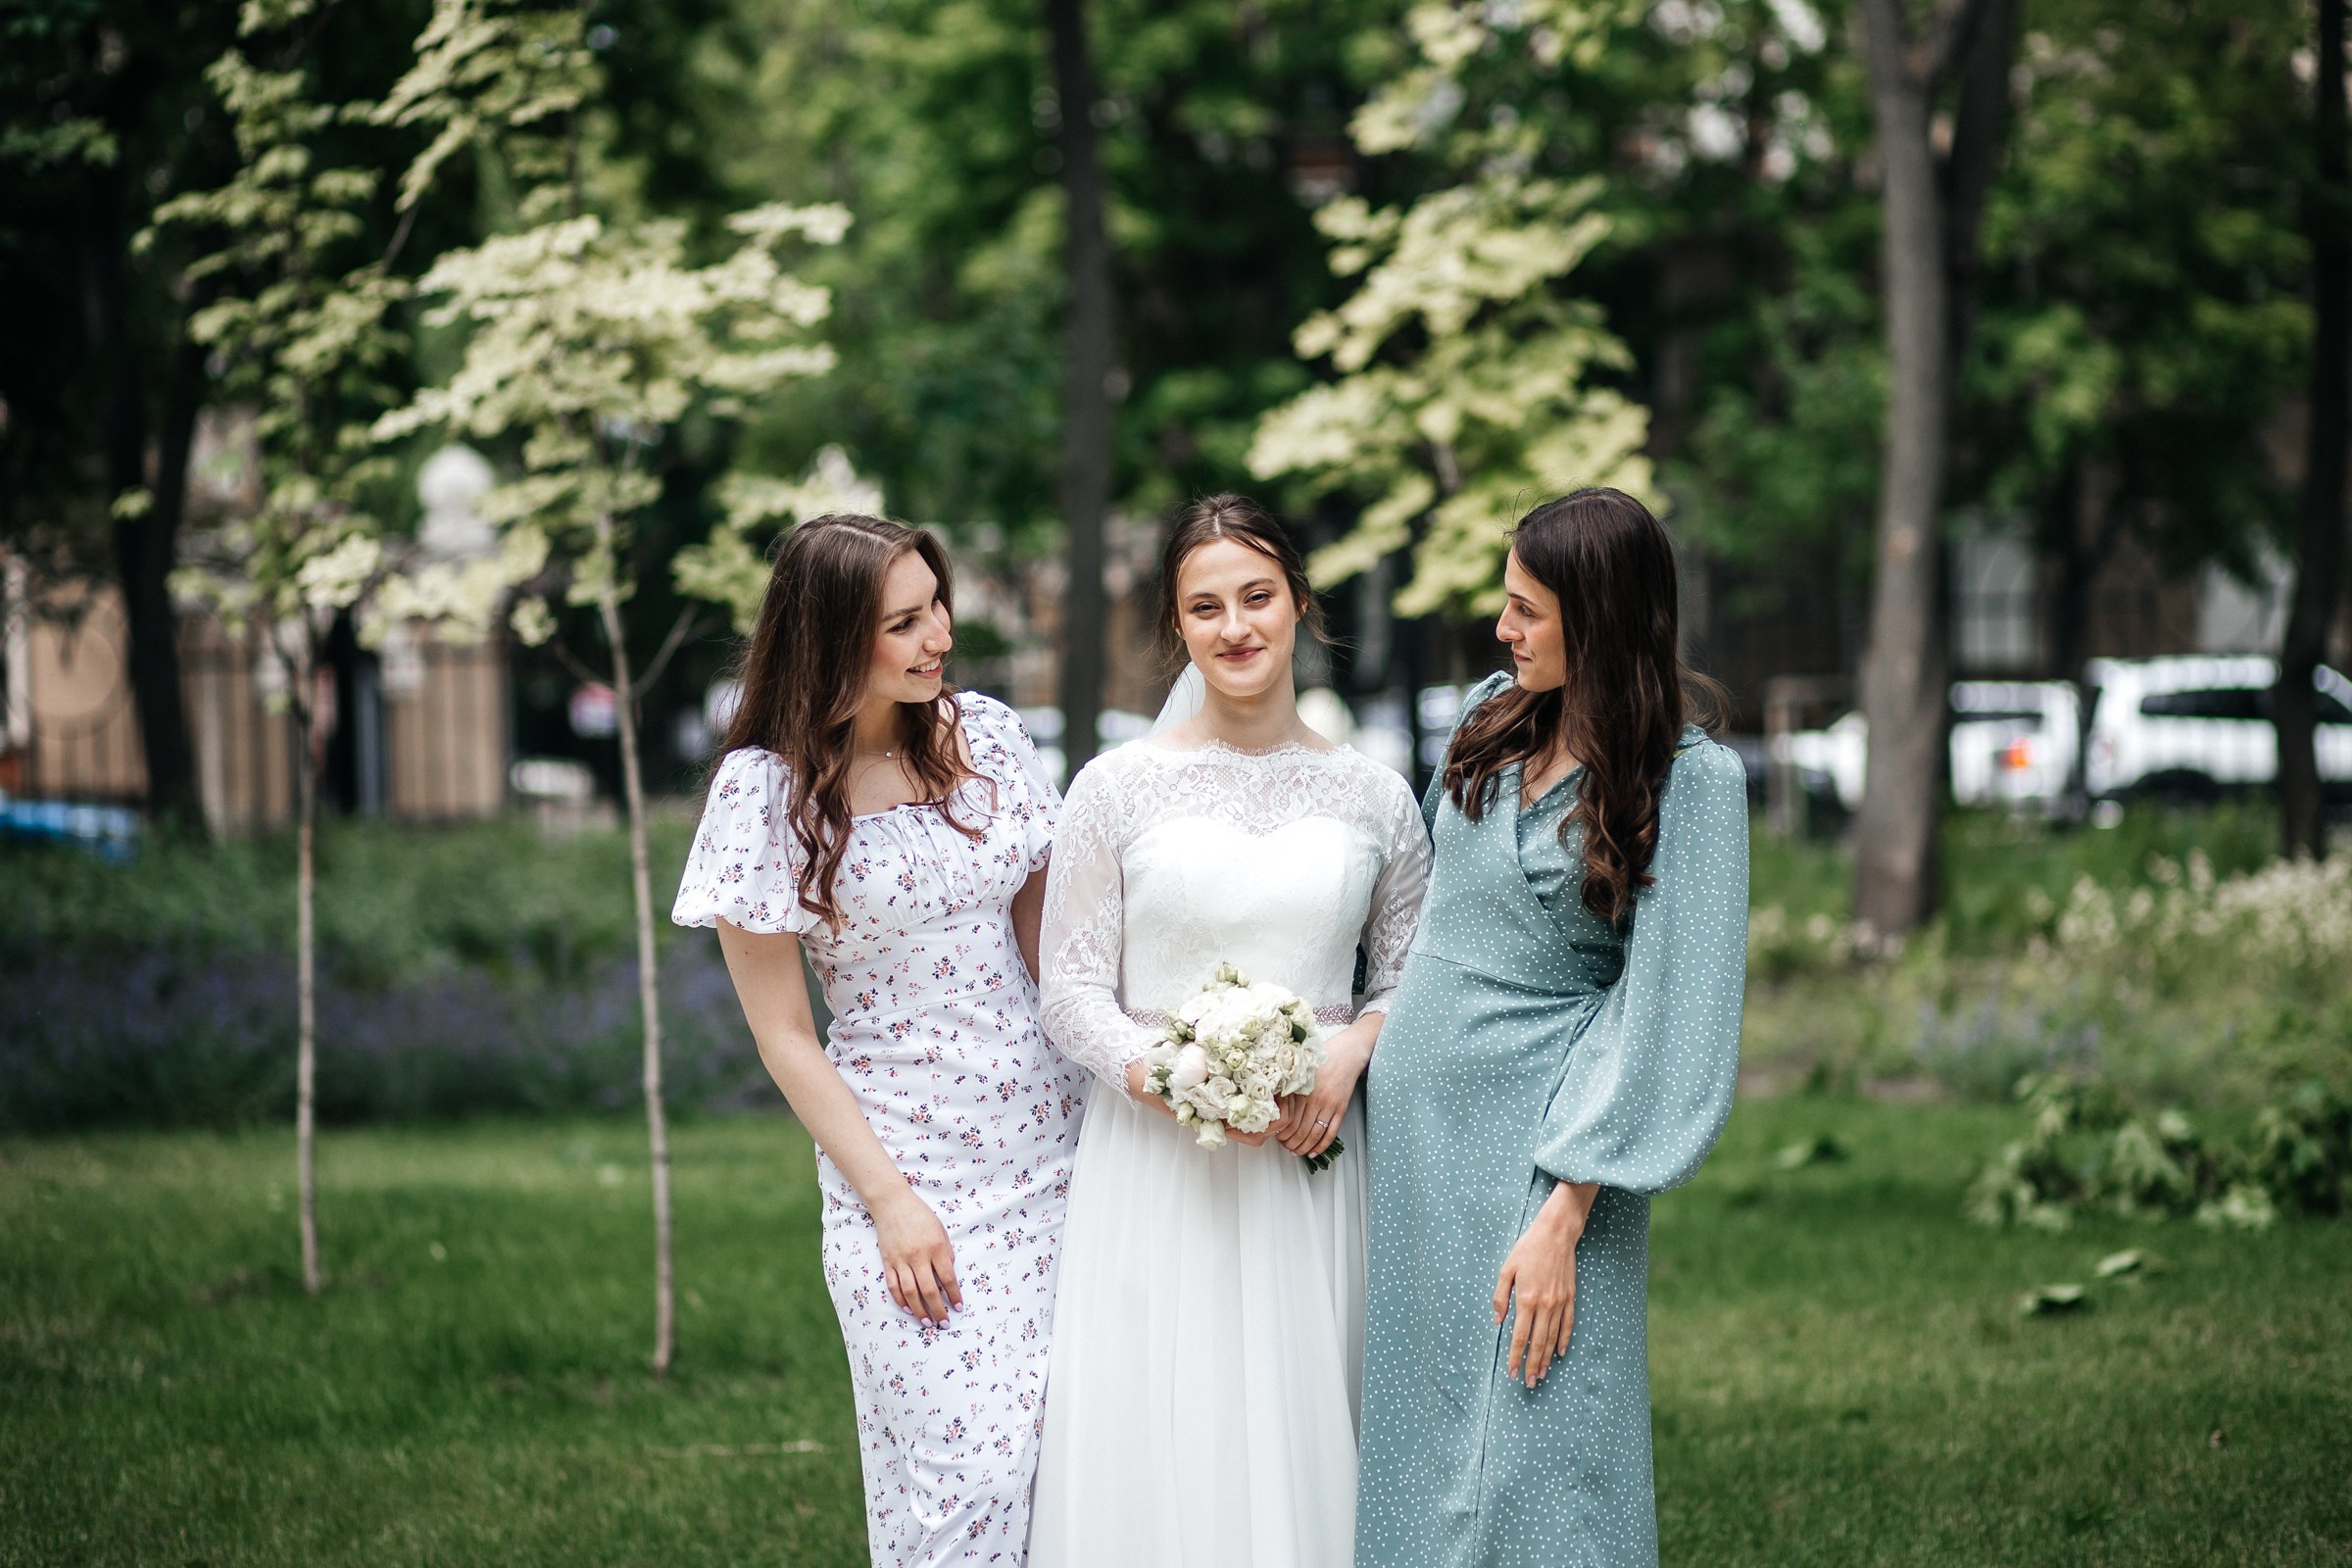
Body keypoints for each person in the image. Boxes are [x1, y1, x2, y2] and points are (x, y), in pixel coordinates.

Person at [1027, 494, 1432, 1568]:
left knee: (1302, 1413)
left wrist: (1351, 1050)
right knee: (1166, 1417)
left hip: (1314, 1156)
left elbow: (1412, 973)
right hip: (1157, 1159)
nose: (1235, 626)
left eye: (1257, 596)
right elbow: (1067, 990)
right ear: (1177, 624)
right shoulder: (1114, 789)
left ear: (1300, 602)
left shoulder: (1378, 797)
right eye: (1205, 606)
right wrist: (1170, 1075)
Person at [671, 514, 1083, 1568]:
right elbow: (785, 1036)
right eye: (903, 621)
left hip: (1055, 1156)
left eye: (936, 604)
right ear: (833, 636)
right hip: (906, 1168)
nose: (937, 634)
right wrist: (891, 1201)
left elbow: (1050, 952)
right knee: (971, 1479)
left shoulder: (982, 735)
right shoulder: (763, 794)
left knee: (1066, 1466)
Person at [1354, 489, 1748, 1568]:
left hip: (1550, 1144)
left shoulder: (1692, 781)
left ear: (1602, 616)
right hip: (1421, 1150)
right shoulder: (1493, 712)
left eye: (1526, 609)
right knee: (1420, 1435)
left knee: (1543, 1442)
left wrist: (1568, 1204)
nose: (1501, 627)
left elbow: (1673, 1010)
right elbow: (1424, 916)